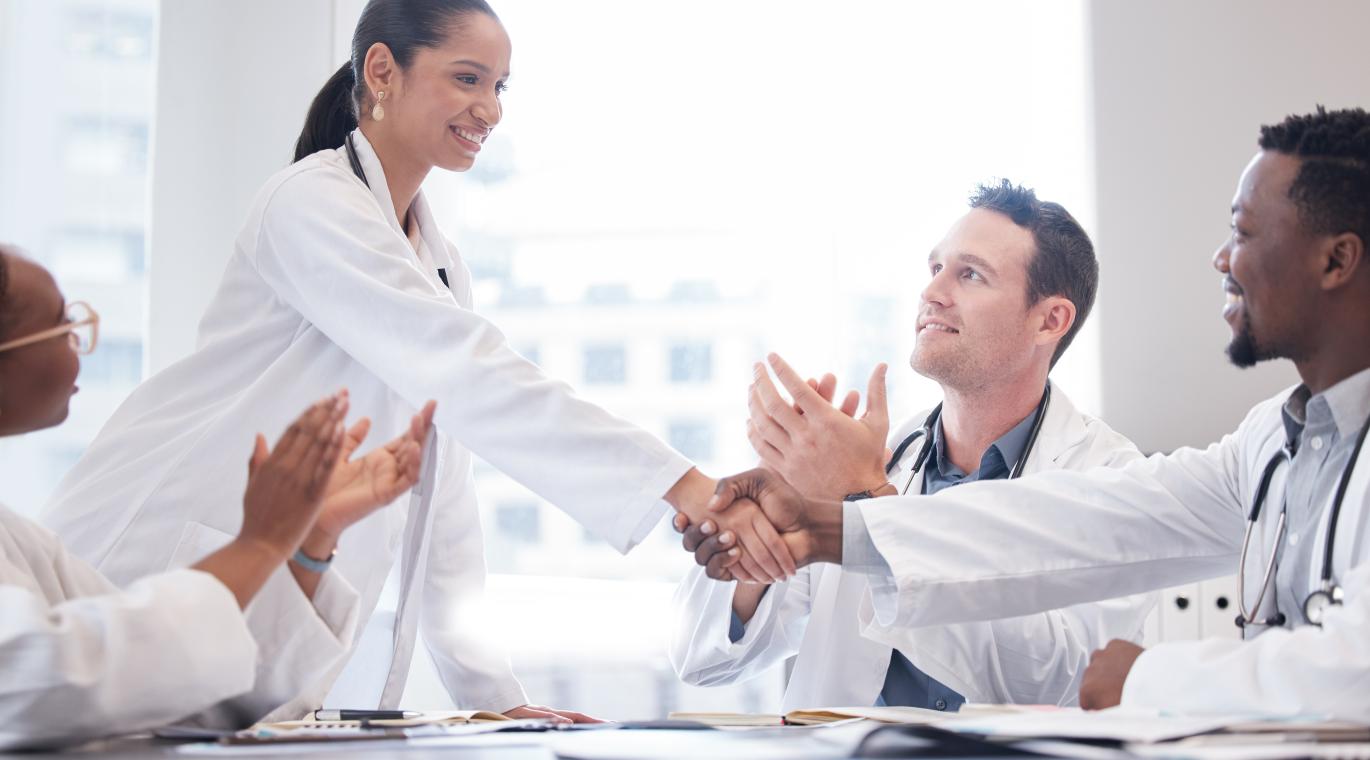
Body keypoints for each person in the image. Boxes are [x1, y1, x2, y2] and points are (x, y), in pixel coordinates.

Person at [42, 0, 791, 725]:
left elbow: (444, 499)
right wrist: (680, 485)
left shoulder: (438, 263)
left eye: (499, 87)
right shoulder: (310, 205)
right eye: (467, 79)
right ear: (381, 69)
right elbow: (467, 371)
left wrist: (492, 697)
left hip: (255, 615)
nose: (490, 110)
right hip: (144, 559)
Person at [696, 107, 1370, 719]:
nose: (1221, 259)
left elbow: (1354, 671)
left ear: (1337, 260)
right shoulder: (1270, 441)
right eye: (937, 266)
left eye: (1243, 232)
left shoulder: (1101, 455)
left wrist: (1148, 682)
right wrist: (822, 518)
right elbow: (1073, 525)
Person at [670, 182, 1154, 711]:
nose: (933, 292)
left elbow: (1063, 679)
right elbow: (704, 659)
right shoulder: (881, 456)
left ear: (1050, 320)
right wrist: (762, 526)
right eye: (935, 269)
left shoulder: (1111, 479)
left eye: (970, 274)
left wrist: (865, 499)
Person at [0, 247, 434, 749]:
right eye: (61, 326)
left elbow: (175, 686)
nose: (78, 345)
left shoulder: (17, 539)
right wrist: (257, 545)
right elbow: (34, 685)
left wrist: (307, 543)